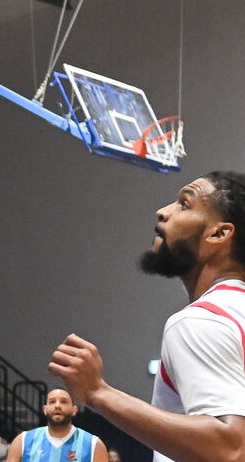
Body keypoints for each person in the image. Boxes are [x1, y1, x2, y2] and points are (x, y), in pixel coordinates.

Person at [49, 172, 245, 462]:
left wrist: (98, 393)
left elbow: (231, 449)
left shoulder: (202, 320)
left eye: (184, 204)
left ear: (218, 234)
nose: (163, 212)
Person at [7, 388, 107, 462]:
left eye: (64, 402)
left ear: (74, 410)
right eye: (52, 402)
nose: (57, 406)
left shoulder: (94, 444)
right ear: (45, 410)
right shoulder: (22, 441)